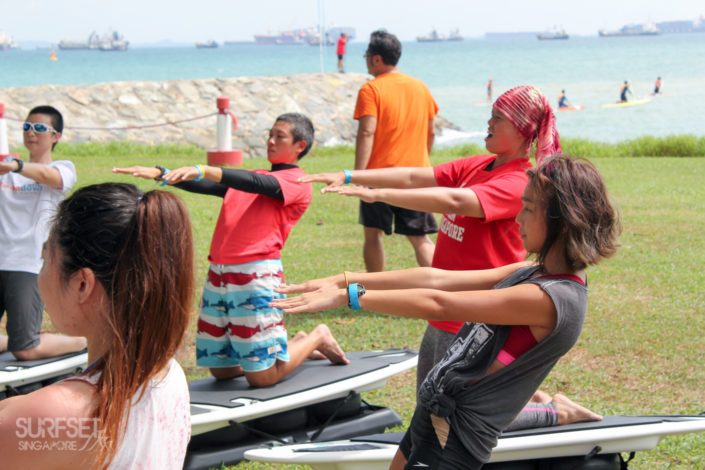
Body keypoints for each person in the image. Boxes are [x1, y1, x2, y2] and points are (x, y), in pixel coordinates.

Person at [274, 154, 622, 469]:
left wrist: (350, 296)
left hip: (455, 436)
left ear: (562, 220)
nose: (517, 217)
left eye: (528, 208)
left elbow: (440, 302)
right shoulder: (535, 270)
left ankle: (554, 413)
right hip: (435, 410)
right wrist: (342, 279)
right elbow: (438, 279)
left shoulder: (550, 297)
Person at [300, 85, 561, 391]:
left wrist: (376, 196)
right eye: (491, 115)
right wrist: (350, 176)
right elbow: (413, 176)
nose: (489, 123)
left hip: (477, 316)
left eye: (498, 118)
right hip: (443, 310)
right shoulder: (478, 164)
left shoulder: (517, 182)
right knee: (430, 396)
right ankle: (545, 403)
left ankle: (556, 411)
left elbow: (453, 201)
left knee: (455, 405)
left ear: (523, 129)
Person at [113, 113, 348, 387]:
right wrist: (161, 173)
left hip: (255, 276)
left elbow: (256, 184)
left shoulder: (298, 182)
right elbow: (213, 184)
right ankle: (291, 345)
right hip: (220, 274)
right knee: (220, 369)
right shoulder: (251, 178)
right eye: (269, 134)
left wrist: (205, 168)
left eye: (279, 136)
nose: (270, 141)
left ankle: (317, 336)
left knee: (263, 377)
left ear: (300, 146)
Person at [0, 183, 193, 468]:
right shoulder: (170, 375)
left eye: (44, 260)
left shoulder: (55, 414)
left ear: (82, 284)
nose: (40, 278)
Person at [0, 105, 86, 360]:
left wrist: (14, 165)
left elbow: (48, 176)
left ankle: (82, 341)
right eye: (27, 127)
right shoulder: (6, 169)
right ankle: (10, 339)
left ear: (55, 136)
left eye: (39, 128)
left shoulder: (63, 168)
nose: (31, 133)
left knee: (26, 349)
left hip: (28, 264)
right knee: (17, 342)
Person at [354, 29, 439, 273]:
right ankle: (444, 290)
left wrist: (358, 176)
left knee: (372, 235)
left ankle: (378, 292)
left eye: (366, 55)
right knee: (420, 238)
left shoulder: (370, 90)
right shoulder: (420, 87)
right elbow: (431, 131)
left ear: (376, 58)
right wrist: (422, 161)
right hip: (415, 174)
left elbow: (367, 132)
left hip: (378, 175)